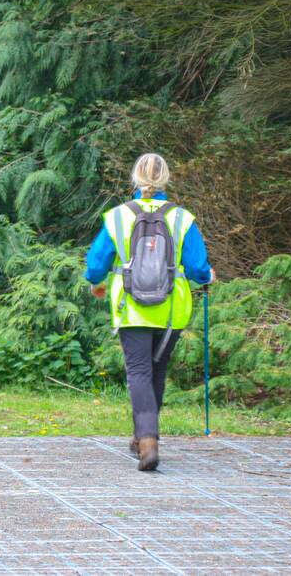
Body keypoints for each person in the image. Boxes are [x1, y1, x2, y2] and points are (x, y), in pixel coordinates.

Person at [84, 153, 213, 471]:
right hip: (172, 312)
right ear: (166, 179)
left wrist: (96, 283)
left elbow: (94, 267)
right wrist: (208, 276)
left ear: (134, 178)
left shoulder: (117, 216)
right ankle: (141, 436)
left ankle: (147, 440)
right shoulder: (182, 218)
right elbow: (198, 268)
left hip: (131, 309)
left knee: (138, 372)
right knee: (156, 371)